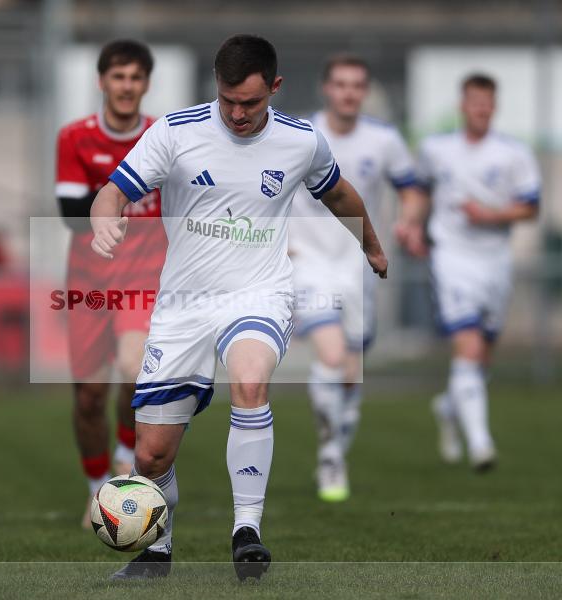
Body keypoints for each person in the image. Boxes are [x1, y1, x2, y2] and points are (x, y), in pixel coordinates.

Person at [90, 34, 388, 580]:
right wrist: (104, 216)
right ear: (217, 87)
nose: (237, 113)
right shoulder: (176, 133)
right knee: (153, 455)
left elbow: (339, 194)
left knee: (251, 383)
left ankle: (246, 530)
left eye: (250, 103)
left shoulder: (301, 141)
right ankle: (158, 550)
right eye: (228, 100)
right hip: (183, 305)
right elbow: (114, 189)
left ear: (274, 88)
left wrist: (369, 242)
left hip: (260, 293)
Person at [289, 54, 427, 502]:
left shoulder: (384, 140)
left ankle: (336, 445)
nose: (348, 92)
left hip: (359, 268)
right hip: (307, 262)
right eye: (340, 84)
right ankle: (330, 455)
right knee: (330, 356)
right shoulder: (300, 135)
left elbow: (410, 190)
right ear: (326, 89)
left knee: (350, 375)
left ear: (364, 92)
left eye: (356, 85)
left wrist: (409, 221)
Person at [55, 40, 166, 527]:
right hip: (88, 283)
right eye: (118, 77)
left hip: (143, 278)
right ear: (102, 82)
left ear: (146, 84)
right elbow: (70, 217)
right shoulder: (74, 138)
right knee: (88, 398)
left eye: (136, 77)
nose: (127, 86)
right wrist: (115, 204)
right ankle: (95, 486)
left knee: (134, 367)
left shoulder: (163, 137)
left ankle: (125, 458)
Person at [416, 73, 541, 471]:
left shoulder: (513, 154)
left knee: (481, 358)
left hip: (496, 261)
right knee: (467, 348)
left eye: (487, 102)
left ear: (494, 106)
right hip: (452, 257)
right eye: (474, 101)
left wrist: (491, 215)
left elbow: (531, 207)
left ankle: (450, 408)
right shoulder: (436, 149)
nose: (481, 109)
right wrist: (412, 227)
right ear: (462, 105)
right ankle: (481, 444)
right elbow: (418, 191)